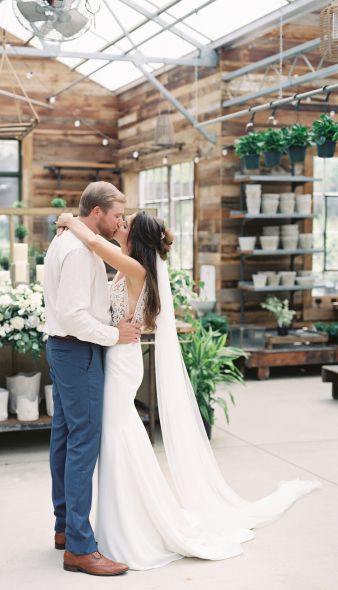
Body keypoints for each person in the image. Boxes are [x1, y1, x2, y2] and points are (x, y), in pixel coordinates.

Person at [55, 208, 321, 571]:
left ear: (135, 239)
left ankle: (128, 529)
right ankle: (115, 524)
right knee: (118, 438)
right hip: (116, 356)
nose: (119, 223)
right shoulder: (129, 265)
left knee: (117, 436)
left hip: (121, 362)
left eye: (126, 223)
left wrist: (71, 222)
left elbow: (94, 242)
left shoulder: (136, 269)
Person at [43, 181, 141, 576]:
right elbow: (74, 316)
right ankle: (81, 548)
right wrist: (113, 335)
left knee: (65, 436)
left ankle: (65, 528)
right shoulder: (79, 250)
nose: (120, 221)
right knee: (84, 442)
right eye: (117, 214)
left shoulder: (67, 241)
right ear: (96, 213)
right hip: (77, 349)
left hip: (63, 348)